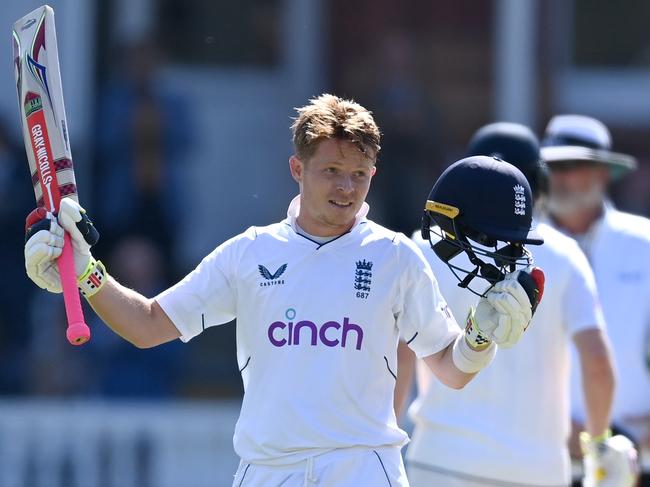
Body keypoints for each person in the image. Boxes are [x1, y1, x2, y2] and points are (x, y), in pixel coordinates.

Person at [24, 94, 537, 487]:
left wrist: (479, 339)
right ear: (297, 169)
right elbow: (148, 325)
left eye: (359, 174)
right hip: (268, 471)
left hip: (362, 469)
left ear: (373, 174)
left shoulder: (396, 256)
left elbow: (450, 367)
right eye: (331, 171)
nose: (346, 188)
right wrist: (88, 272)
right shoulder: (249, 253)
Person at [398, 122, 637, 486]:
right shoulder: (563, 253)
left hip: (439, 458)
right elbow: (597, 361)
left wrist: (384, 439)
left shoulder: (420, 248)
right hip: (534, 469)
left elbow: (398, 354)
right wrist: (600, 446)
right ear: (536, 185)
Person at [541, 114, 650, 484]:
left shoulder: (645, 244)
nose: (557, 178)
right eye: (550, 166)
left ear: (603, 173)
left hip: (635, 463)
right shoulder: (521, 249)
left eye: (569, 166)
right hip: (544, 460)